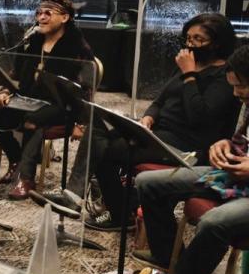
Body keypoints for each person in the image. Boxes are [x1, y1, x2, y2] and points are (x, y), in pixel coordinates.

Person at [75, 13, 239, 231]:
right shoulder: (189, 63)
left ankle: (121, 213)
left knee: (107, 151)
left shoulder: (225, 75)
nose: (190, 44)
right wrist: (148, 116)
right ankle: (78, 192)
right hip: (160, 132)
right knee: (99, 125)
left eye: (198, 39)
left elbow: (198, 116)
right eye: (188, 38)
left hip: (188, 145)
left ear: (217, 42)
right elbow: (161, 99)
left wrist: (189, 75)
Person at [126, 45, 249, 274]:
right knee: (148, 182)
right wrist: (224, 144)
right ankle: (172, 258)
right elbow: (241, 141)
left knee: (214, 222)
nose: (236, 93)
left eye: (241, 87)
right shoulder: (246, 103)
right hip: (232, 177)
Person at [0, 0, 93, 200]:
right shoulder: (31, 41)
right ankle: (16, 160)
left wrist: (82, 123)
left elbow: (87, 89)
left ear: (65, 18)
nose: (41, 18)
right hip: (29, 99)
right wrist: (6, 91)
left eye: (48, 13)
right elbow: (15, 73)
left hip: (62, 106)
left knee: (34, 119)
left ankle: (26, 178)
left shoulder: (78, 47)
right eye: (38, 13)